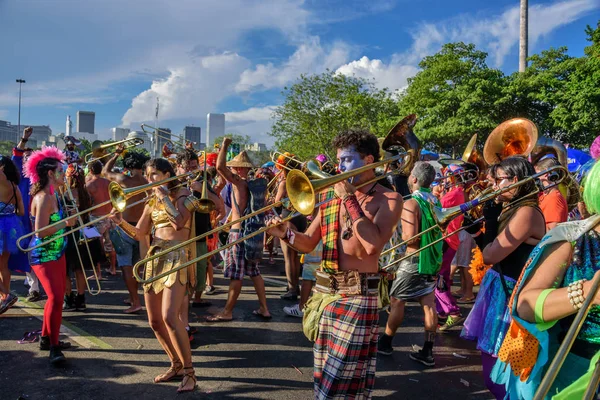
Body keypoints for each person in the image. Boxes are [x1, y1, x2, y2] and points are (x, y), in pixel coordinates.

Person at [267, 129, 403, 399]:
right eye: (339, 161)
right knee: (324, 375)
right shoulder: (331, 200)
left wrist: (350, 199)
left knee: (340, 382)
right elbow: (307, 243)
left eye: (347, 160)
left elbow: (372, 245)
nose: (340, 167)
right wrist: (286, 233)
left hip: (358, 297)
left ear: (368, 160)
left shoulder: (389, 199)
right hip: (325, 297)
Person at [492, 160, 600, 399]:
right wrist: (589, 291)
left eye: (502, 179)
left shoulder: (534, 207)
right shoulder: (574, 239)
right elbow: (526, 305)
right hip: (576, 373)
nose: (496, 185)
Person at [461, 156, 546, 399]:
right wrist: (478, 232)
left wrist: (488, 218)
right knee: (493, 369)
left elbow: (490, 255)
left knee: (500, 374)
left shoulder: (527, 212)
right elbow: (495, 253)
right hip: (500, 287)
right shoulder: (514, 208)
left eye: (498, 180)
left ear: (515, 181)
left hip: (512, 295)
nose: (493, 186)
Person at [110, 158, 197, 393]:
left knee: (170, 317)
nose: (149, 180)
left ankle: (190, 372)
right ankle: (175, 364)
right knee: (155, 321)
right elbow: (140, 233)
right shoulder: (151, 201)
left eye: (155, 174)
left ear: (168, 174)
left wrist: (164, 198)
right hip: (154, 257)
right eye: (148, 175)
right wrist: (120, 223)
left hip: (177, 256)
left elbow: (180, 224)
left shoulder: (184, 195)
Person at [378, 162, 442, 366]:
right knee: (429, 304)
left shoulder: (411, 204)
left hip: (414, 259)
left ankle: (386, 343)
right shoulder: (435, 201)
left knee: (397, 301)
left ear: (414, 179)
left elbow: (410, 239)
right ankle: (428, 351)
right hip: (431, 259)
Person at [23, 146, 77, 364]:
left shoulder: (54, 195)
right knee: (55, 298)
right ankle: (54, 347)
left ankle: (47, 337)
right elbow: (40, 231)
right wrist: (65, 223)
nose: (64, 173)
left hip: (57, 252)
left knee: (57, 296)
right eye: (60, 170)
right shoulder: (44, 197)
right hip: (44, 255)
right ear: (50, 174)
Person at [208, 139, 271, 322]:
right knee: (254, 272)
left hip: (238, 233)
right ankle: (264, 309)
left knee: (236, 274)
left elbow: (219, 167)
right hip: (251, 232)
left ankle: (227, 311)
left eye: (235, 168)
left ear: (240, 169)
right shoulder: (253, 185)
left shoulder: (238, 183)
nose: (233, 170)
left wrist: (224, 146)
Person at [103, 148, 148, 313]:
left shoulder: (122, 179)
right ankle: (133, 297)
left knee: (126, 266)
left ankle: (135, 302)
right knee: (136, 266)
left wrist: (115, 154)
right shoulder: (149, 182)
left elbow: (105, 171)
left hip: (124, 226)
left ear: (127, 166)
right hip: (141, 229)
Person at [62, 164, 104, 312]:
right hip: (86, 229)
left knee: (66, 270)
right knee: (80, 269)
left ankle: (68, 298)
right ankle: (81, 298)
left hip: (71, 232)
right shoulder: (86, 193)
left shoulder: (67, 194)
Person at [436, 164, 467, 331]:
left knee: (437, 278)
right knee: (444, 277)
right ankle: (441, 311)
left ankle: (452, 312)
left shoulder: (455, 193)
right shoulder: (457, 192)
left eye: (447, 175)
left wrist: (436, 195)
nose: (444, 178)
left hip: (447, 239)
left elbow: (435, 208)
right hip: (450, 238)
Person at [11, 127, 41, 302]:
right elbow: (16, 156)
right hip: (23, 220)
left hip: (41, 219)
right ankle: (34, 287)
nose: (27, 158)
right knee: (26, 253)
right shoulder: (19, 176)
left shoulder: (41, 176)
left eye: (31, 156)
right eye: (25, 157)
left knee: (39, 254)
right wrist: (24, 139)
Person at [274, 153, 308, 301]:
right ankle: (294, 286)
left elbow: (277, 203)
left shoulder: (285, 182)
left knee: (288, 257)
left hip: (289, 217)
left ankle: (292, 289)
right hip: (301, 217)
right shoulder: (302, 180)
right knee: (294, 256)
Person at [0, 156, 26, 314]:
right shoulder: (15, 187)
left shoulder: (1, 181)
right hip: (11, 227)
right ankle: (4, 300)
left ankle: (6, 295)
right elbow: (21, 211)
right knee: (3, 266)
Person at [85, 161, 114, 276]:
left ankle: (98, 273)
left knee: (96, 246)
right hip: (109, 216)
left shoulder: (89, 185)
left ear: (91, 170)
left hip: (95, 218)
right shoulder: (109, 183)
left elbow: (87, 203)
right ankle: (112, 268)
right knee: (110, 244)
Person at [534, 157, 569, 231]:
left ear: (546, 174)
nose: (535, 177)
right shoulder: (544, 195)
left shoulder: (554, 198)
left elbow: (551, 232)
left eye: (537, 173)